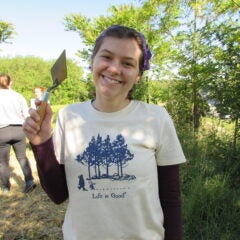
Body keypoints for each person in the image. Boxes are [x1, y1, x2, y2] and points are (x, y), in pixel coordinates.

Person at [23, 25, 186, 240]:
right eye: (106, 57)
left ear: (138, 75)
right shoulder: (69, 116)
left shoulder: (156, 118)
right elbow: (58, 195)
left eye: (127, 63)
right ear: (93, 62)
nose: (114, 69)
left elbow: (170, 197)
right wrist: (41, 141)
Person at [0, 73, 36, 194]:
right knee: (22, 157)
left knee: (3, 162)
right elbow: (26, 115)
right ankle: (29, 181)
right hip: (18, 129)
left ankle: (5, 187)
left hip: (2, 131)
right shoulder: (18, 96)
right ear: (10, 82)